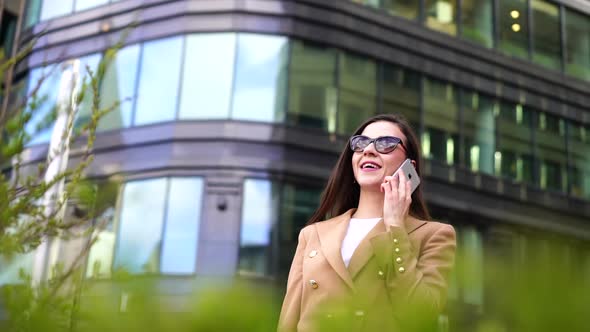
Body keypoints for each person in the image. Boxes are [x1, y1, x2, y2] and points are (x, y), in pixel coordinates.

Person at [277, 114, 457, 332]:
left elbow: (421, 316)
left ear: (409, 167)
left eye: (386, 144)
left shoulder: (435, 235)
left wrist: (395, 228)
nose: (369, 150)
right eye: (361, 143)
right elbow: (288, 321)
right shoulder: (312, 234)